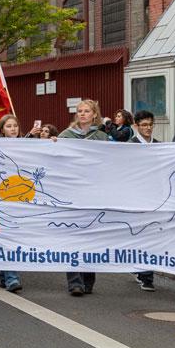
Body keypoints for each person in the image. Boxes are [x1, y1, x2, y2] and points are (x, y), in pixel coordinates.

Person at [59, 99, 110, 295]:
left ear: (94, 114)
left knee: (91, 238)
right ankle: (74, 281)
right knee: (73, 236)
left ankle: (88, 279)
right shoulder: (66, 135)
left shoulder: (102, 137)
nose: (82, 114)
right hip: (72, 193)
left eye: (86, 111)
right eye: (79, 111)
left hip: (94, 193)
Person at [124, 109, 163, 291]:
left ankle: (144, 270)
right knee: (139, 235)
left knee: (152, 235)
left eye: (150, 125)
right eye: (144, 125)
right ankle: (144, 273)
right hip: (136, 197)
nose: (148, 128)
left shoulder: (159, 146)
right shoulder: (129, 146)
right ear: (136, 126)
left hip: (154, 197)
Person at [0, 114, 25, 293]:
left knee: (15, 238)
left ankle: (5, 275)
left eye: (15, 125)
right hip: (2, 199)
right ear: (2, 130)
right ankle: (12, 278)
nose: (13, 129)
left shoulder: (27, 146)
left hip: (21, 199)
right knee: (7, 238)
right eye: (8, 126)